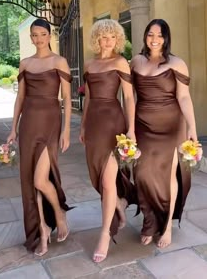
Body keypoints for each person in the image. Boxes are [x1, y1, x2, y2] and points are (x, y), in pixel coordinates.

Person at [6, 18, 72, 256]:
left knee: (40, 179)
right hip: (28, 125)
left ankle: (59, 213)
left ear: (49, 35)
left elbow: (66, 98)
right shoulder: (25, 63)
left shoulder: (59, 61)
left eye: (42, 34)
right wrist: (13, 128)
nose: (38, 39)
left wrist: (66, 130)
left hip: (51, 123)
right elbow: (20, 98)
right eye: (34, 35)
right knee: (29, 179)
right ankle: (42, 229)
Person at [130, 19, 198, 248]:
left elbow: (184, 97)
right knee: (142, 174)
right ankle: (150, 221)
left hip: (171, 126)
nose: (154, 39)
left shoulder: (177, 63)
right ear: (145, 36)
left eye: (159, 35)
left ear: (166, 38)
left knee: (168, 175)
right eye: (150, 34)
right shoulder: (136, 61)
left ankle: (166, 225)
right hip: (143, 125)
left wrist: (192, 129)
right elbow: (129, 97)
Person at [79, 19, 137, 263]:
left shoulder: (121, 62)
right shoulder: (89, 64)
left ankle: (105, 234)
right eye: (104, 37)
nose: (108, 41)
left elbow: (128, 97)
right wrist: (82, 125)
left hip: (114, 124)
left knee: (107, 179)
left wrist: (132, 130)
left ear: (118, 39)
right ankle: (120, 204)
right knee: (100, 178)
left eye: (112, 37)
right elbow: (89, 99)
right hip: (93, 126)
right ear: (97, 39)